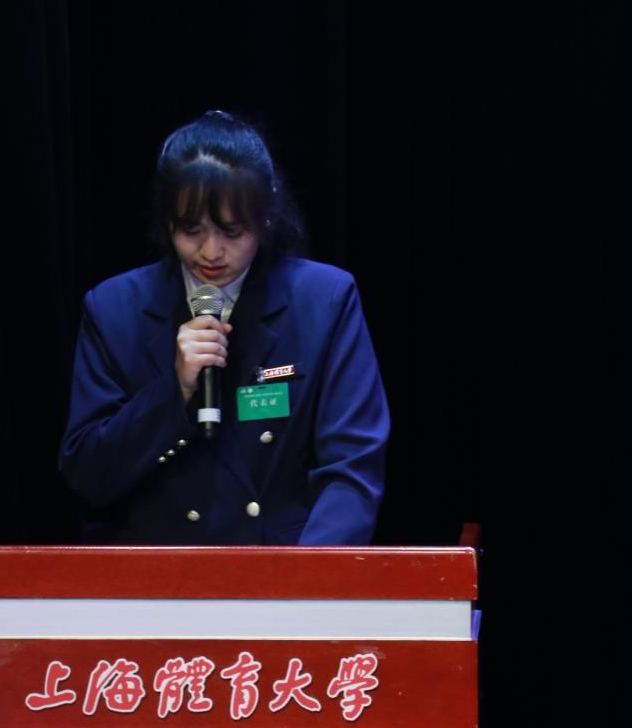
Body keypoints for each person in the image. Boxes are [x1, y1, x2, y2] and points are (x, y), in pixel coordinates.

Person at [59, 110, 388, 545]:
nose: (211, 252)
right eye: (190, 229)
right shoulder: (113, 308)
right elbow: (89, 475)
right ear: (167, 221)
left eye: (232, 231)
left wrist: (304, 578)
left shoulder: (324, 299)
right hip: (161, 569)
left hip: (283, 564)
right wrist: (174, 391)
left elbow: (352, 467)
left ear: (265, 219)